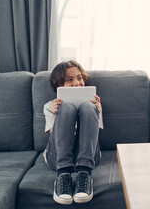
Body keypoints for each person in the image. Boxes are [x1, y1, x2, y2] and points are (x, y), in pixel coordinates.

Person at [43, 60, 103, 205]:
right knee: (67, 108)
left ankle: (85, 174)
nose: (77, 83)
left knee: (88, 107)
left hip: (87, 155)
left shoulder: (93, 105)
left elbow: (93, 136)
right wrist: (58, 115)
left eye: (79, 78)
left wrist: (97, 112)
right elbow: (54, 135)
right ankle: (63, 175)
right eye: (70, 80)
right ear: (59, 86)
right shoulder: (50, 106)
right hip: (58, 157)